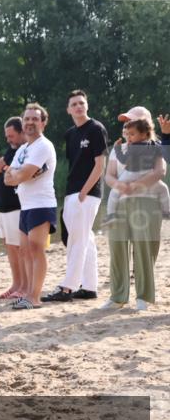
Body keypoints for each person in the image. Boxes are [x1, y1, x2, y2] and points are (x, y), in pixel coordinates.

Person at [41, 90, 108, 303]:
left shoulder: (96, 129)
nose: (78, 106)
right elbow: (74, 164)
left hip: (86, 194)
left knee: (76, 241)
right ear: (68, 109)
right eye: (74, 104)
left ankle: (68, 287)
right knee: (85, 239)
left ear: (86, 105)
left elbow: (100, 165)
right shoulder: (70, 134)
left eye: (81, 102)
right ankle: (89, 287)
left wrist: (84, 192)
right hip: (72, 192)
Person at [102, 107, 167, 311]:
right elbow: (109, 175)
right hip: (121, 202)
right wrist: (119, 185)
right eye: (125, 123)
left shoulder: (155, 146)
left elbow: (160, 171)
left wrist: (136, 186)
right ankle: (117, 297)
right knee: (117, 248)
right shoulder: (119, 148)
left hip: (148, 202)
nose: (126, 126)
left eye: (131, 121)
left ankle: (144, 297)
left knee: (144, 249)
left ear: (146, 125)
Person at [4, 103, 57, 309]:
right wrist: (19, 175)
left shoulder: (44, 145)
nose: (30, 123)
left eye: (35, 119)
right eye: (27, 119)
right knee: (25, 251)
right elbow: (8, 178)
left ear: (43, 122)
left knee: (36, 249)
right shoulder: (24, 149)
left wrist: (20, 175)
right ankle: (27, 293)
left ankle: (34, 297)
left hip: (41, 204)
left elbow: (21, 175)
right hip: (25, 206)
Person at [0, 116, 27, 299]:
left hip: (16, 206)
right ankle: (15, 284)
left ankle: (23, 286)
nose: (8, 139)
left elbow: (19, 174)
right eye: (7, 136)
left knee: (19, 248)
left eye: (11, 135)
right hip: (3, 207)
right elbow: (5, 171)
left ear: (22, 132)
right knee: (9, 246)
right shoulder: (11, 150)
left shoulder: (25, 150)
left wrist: (3, 168)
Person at [105, 121, 170, 222]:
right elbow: (165, 153)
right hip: (145, 173)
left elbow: (123, 159)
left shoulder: (133, 147)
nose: (129, 137)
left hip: (131, 174)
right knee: (163, 189)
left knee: (114, 192)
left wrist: (117, 149)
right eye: (127, 134)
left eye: (132, 134)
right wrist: (165, 135)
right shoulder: (155, 145)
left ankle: (111, 214)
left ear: (143, 134)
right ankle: (166, 211)